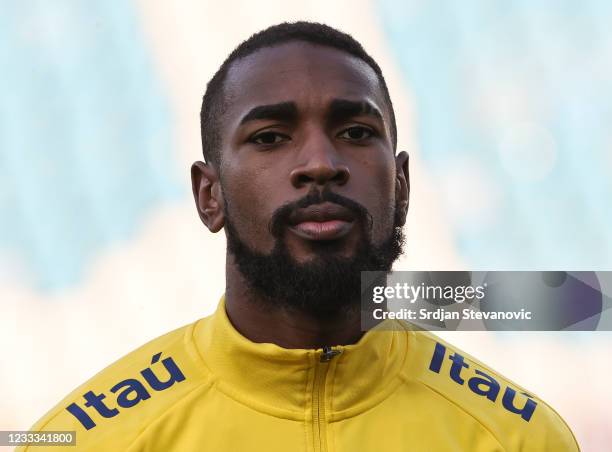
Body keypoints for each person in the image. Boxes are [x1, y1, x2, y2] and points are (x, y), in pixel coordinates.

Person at [20, 22, 579, 451]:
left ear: (402, 184)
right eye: (270, 137)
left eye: (356, 132)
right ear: (208, 195)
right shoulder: (92, 438)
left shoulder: (518, 437)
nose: (320, 163)